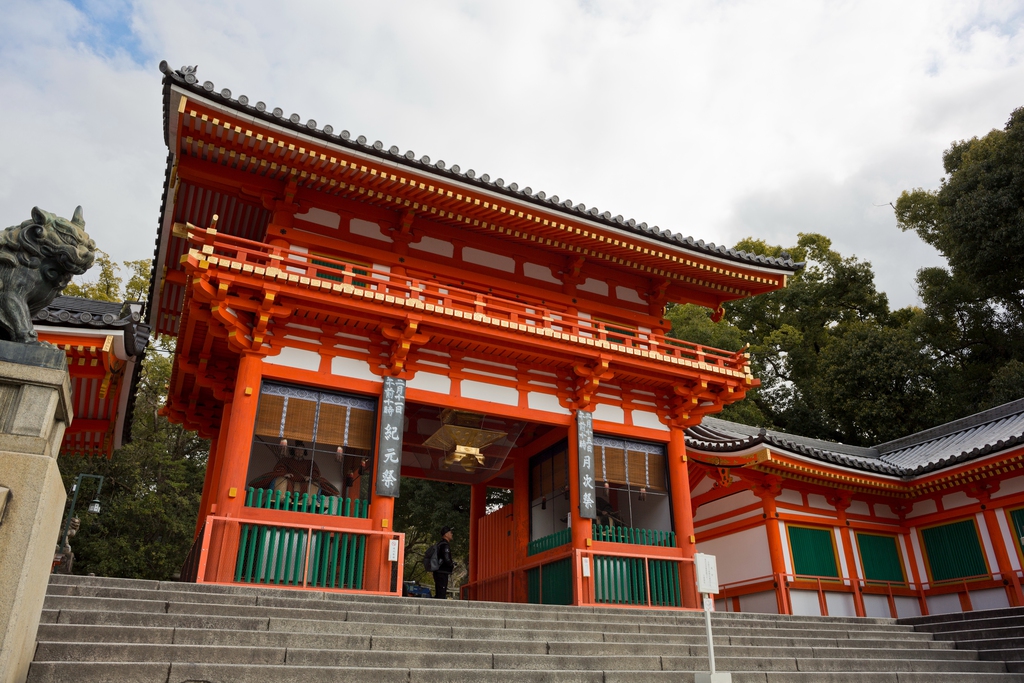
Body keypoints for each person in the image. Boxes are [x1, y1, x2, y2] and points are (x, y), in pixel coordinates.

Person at [433, 526, 454, 599]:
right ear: (446, 534)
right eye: (450, 533)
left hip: (437, 571)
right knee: (441, 593)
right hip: (442, 571)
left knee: (439, 592)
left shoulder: (439, 544)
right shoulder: (445, 545)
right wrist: (451, 565)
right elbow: (447, 558)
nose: (452, 534)